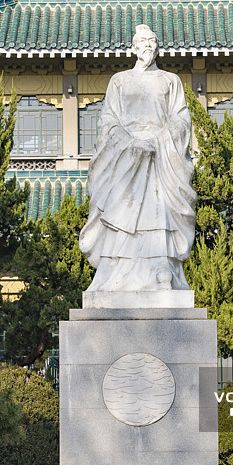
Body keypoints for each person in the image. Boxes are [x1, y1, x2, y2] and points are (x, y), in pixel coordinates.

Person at [79, 25, 196, 292]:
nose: (148, 46)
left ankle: (161, 269)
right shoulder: (119, 81)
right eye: (143, 41)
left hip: (161, 156)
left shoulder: (170, 81)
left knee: (158, 211)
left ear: (158, 47)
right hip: (126, 158)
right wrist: (131, 143)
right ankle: (114, 272)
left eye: (153, 41)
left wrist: (161, 140)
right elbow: (109, 120)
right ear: (133, 47)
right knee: (121, 210)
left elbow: (181, 118)